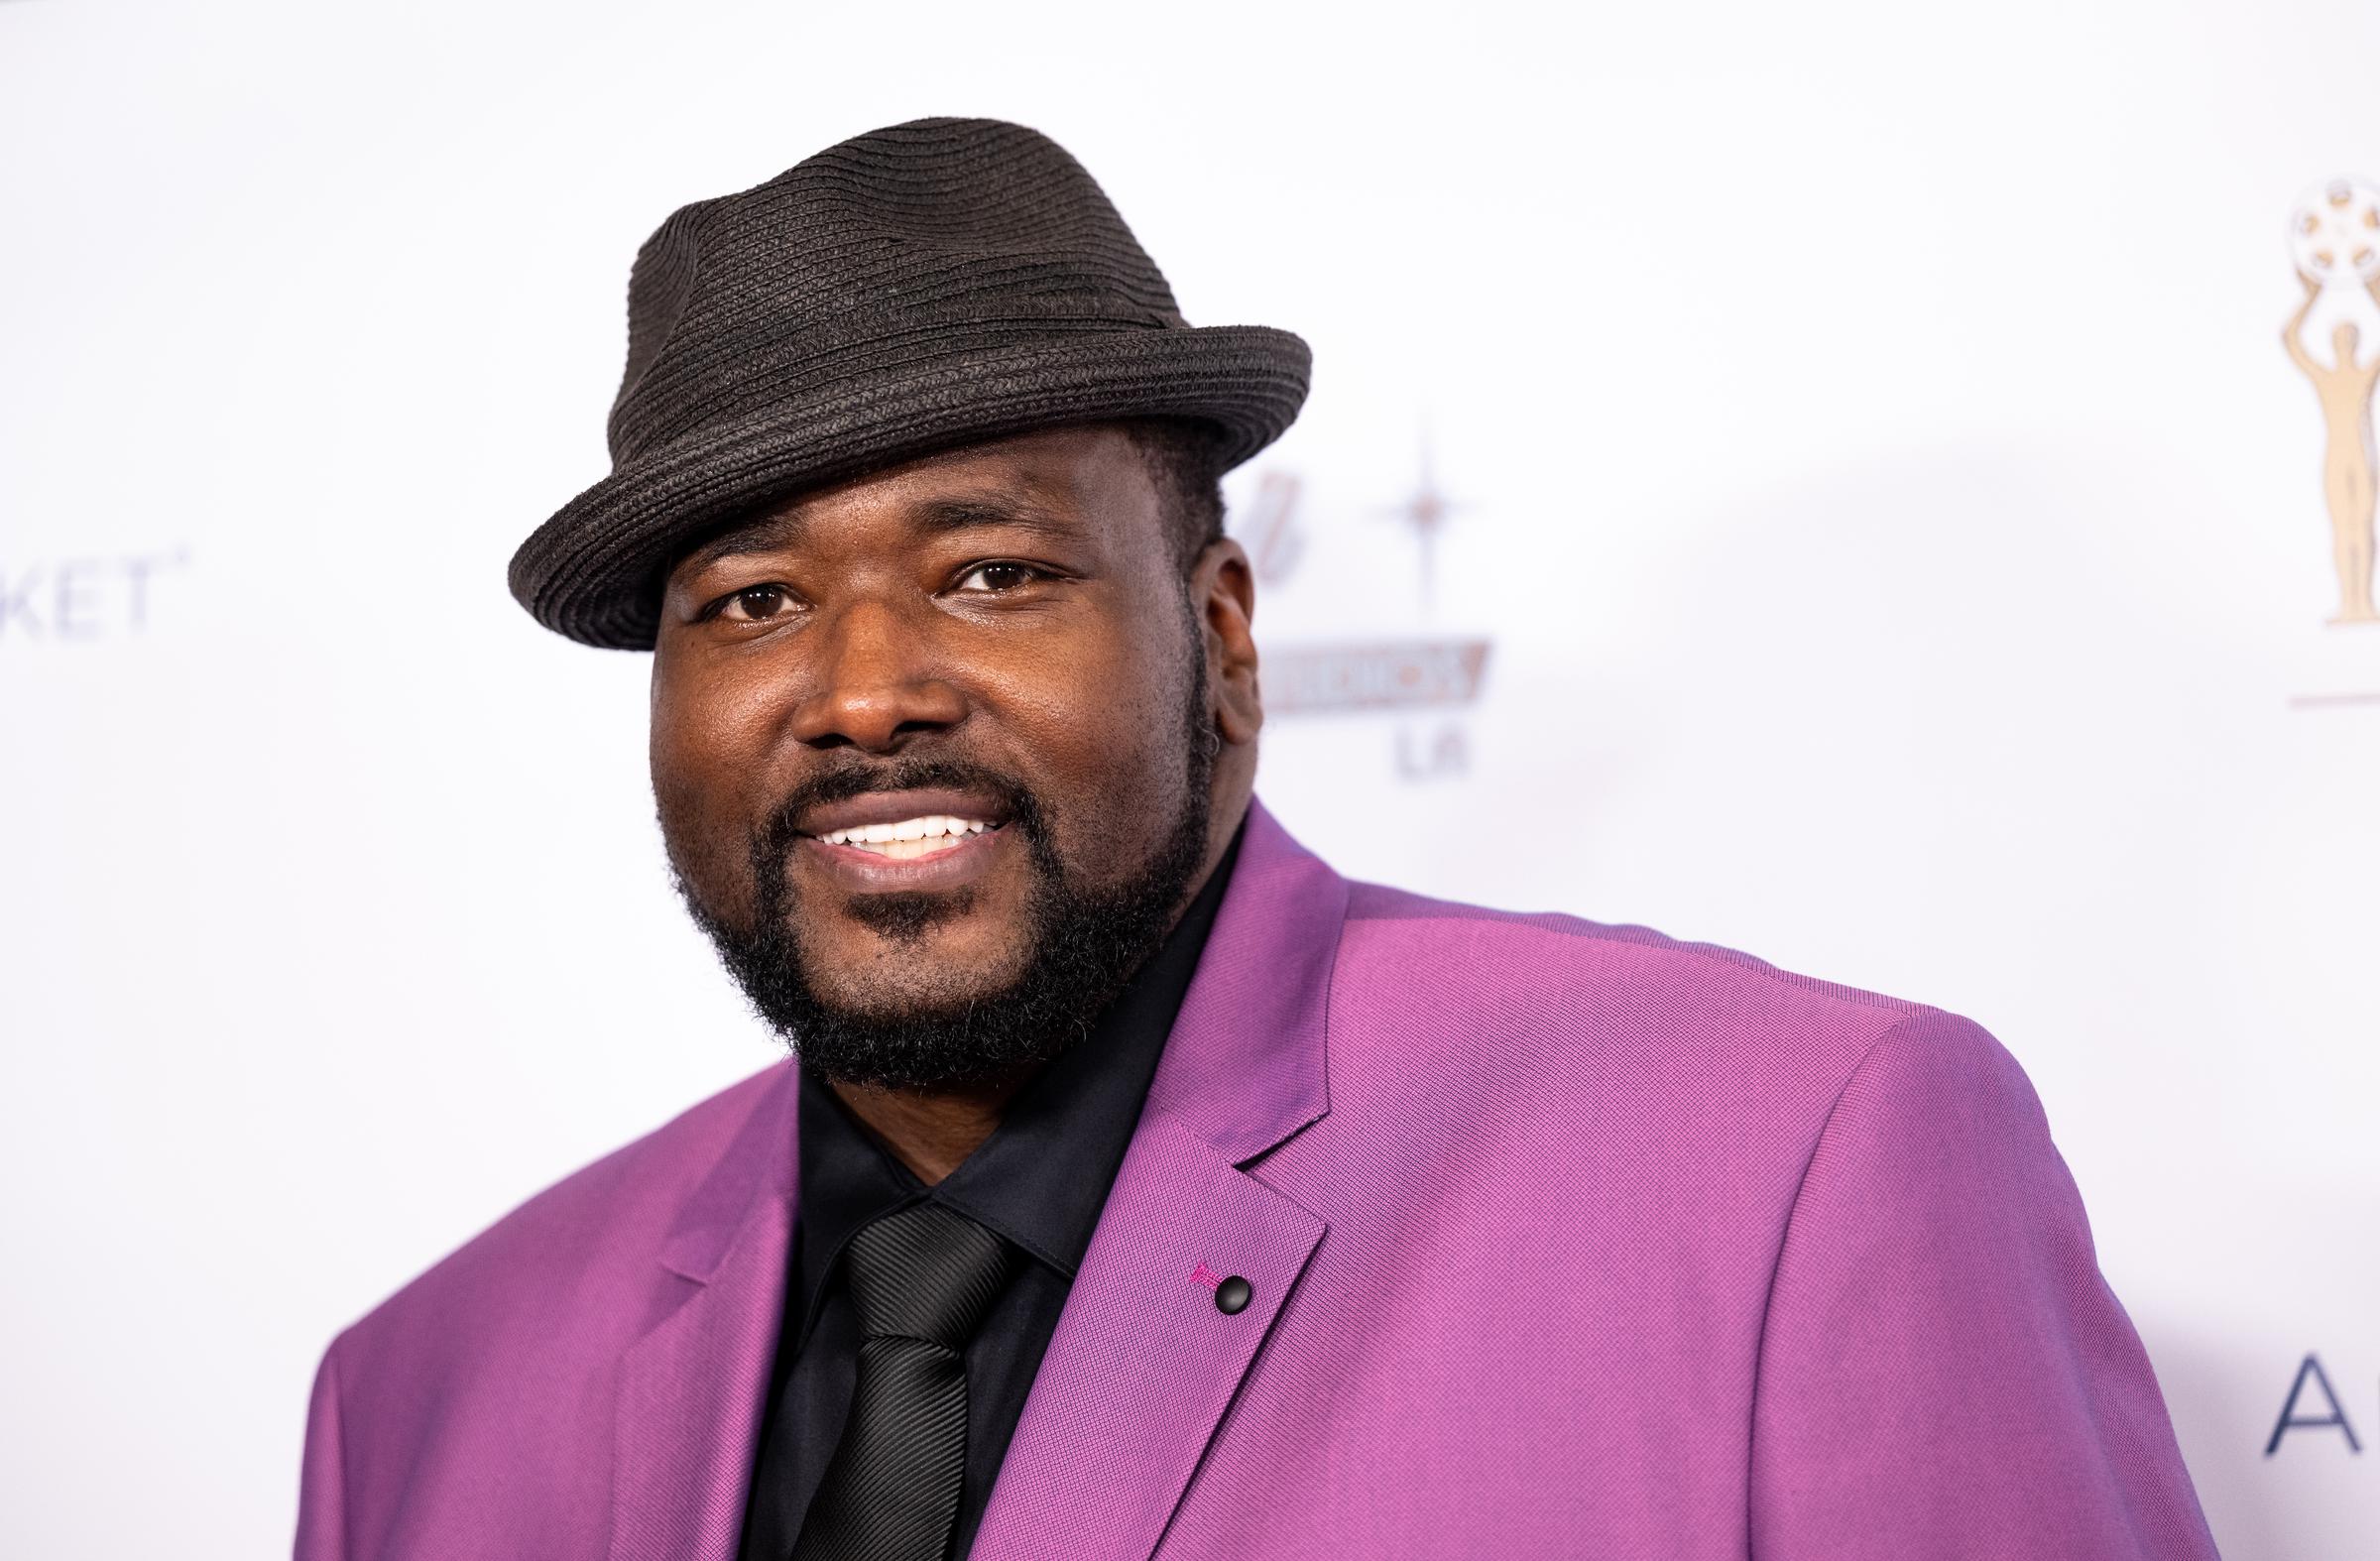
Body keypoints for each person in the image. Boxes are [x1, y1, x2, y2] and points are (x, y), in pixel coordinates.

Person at [293, 117, 2221, 1561]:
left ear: (1220, 632)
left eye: (989, 567)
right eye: (751, 605)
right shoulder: (427, 1400)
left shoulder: (1802, 1166)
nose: (866, 689)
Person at [2283, 270, 2380, 624]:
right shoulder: (2325, 378)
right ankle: (2349, 603)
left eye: (2349, 336)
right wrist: (2310, 297)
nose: (2344, 342)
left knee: (2363, 524)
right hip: (2337, 457)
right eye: (2339, 337)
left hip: (2362, 455)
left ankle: (2363, 604)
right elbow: (2290, 339)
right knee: (2343, 528)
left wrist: (2373, 290)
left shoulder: (2363, 376)